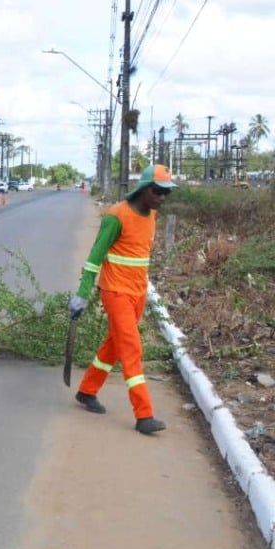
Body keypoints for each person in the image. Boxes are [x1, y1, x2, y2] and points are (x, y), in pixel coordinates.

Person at [69, 164, 176, 435]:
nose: (161, 197)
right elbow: (94, 259)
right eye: (157, 191)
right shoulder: (116, 216)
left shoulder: (152, 215)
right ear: (144, 188)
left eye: (166, 193)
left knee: (115, 345)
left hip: (138, 292)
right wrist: (82, 295)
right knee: (132, 348)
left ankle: (87, 390)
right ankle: (144, 415)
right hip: (115, 292)